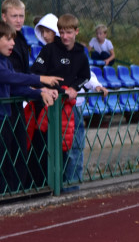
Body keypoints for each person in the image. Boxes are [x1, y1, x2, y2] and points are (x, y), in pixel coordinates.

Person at [0, 21, 60, 198]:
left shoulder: (3, 60)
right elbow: (11, 77)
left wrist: (40, 93)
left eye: (14, 39)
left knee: (1, 163)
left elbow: (13, 88)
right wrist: (40, 79)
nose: (13, 44)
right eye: (9, 39)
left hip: (2, 118)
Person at [32, 13, 104, 190]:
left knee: (73, 150)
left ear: (76, 32)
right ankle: (50, 187)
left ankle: (71, 189)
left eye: (69, 32)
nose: (65, 36)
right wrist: (45, 87)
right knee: (50, 150)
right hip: (51, 107)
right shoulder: (49, 50)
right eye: (62, 32)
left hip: (73, 109)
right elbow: (35, 72)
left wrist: (76, 88)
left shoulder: (80, 52)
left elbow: (86, 75)